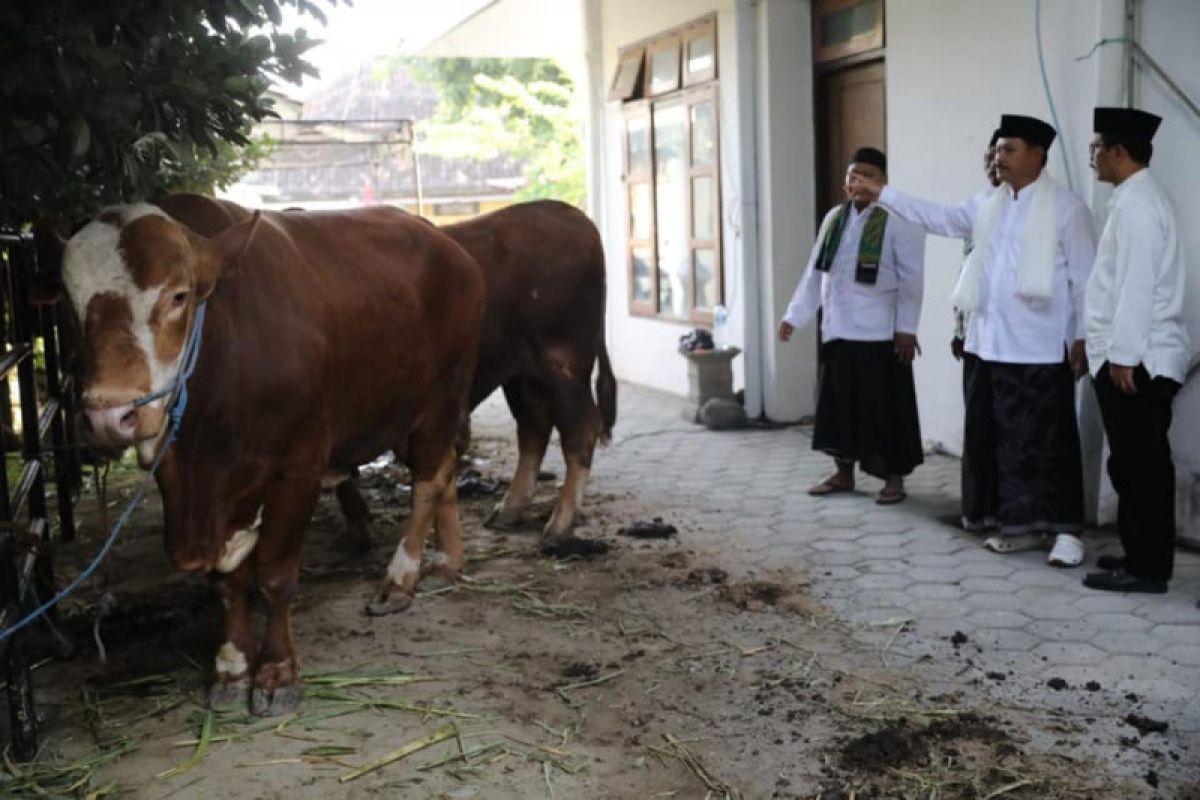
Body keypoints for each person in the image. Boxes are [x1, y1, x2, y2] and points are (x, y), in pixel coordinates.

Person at [853, 115, 1096, 568]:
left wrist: (1082, 337)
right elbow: (939, 218)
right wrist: (882, 193)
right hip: (988, 346)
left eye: (1009, 149)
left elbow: (1085, 282)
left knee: (1049, 444)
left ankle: (1066, 532)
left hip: (1041, 350)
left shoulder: (1067, 209)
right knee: (1000, 443)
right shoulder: (988, 203)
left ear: (1038, 154)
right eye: (998, 149)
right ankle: (1014, 525)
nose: (998, 157)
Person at [1081, 107, 1192, 594]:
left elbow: (1137, 287)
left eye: (1096, 149)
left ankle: (1148, 570)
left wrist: (1123, 355)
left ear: (1118, 151)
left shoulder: (1139, 204)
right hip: (1133, 356)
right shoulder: (1134, 198)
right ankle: (1139, 555)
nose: (1092, 159)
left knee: (1142, 469)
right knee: (1131, 465)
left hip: (1138, 360)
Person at [778, 147, 926, 505]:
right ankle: (843, 473)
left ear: (882, 181)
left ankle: (894, 479)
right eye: (851, 175)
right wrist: (794, 316)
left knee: (885, 409)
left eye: (865, 175)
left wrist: (906, 328)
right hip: (839, 329)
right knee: (840, 406)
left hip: (880, 333)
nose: (855, 181)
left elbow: (912, 281)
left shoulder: (899, 219)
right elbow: (815, 273)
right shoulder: (835, 218)